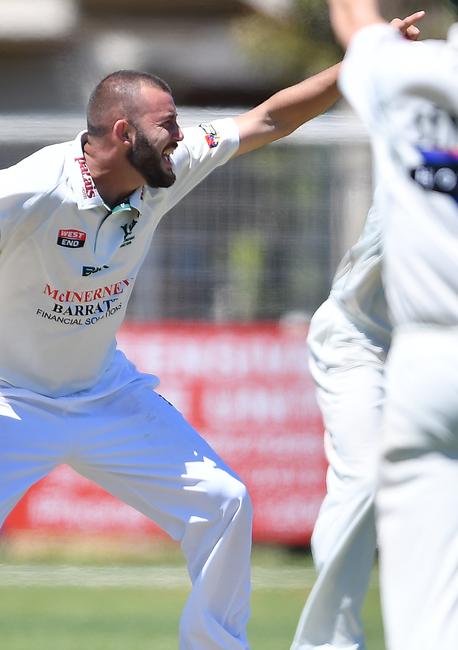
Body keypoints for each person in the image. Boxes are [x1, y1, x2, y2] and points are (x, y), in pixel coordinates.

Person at [0, 65, 342, 649]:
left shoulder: (164, 169)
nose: (180, 133)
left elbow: (269, 117)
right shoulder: (36, 186)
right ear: (123, 133)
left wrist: (364, 61)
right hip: (5, 395)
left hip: (103, 394)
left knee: (225, 502)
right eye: (167, 123)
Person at [326, 2, 458, 649]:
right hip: (376, 344)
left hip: (427, 356)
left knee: (425, 612)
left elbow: (354, 21)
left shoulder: (412, 79)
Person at [291, 12, 424, 650]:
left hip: (438, 354)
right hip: (361, 344)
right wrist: (378, 43)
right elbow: (357, 29)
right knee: (365, 484)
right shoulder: (422, 103)